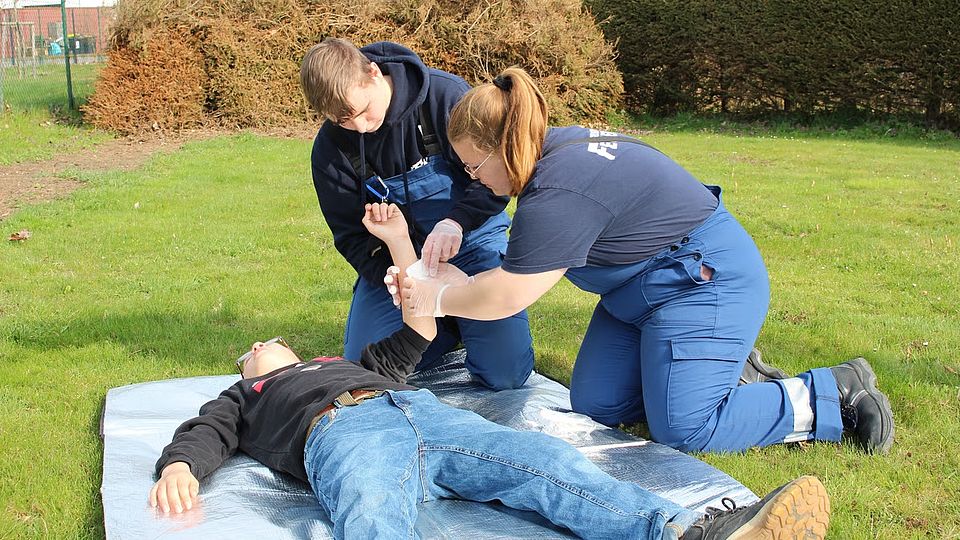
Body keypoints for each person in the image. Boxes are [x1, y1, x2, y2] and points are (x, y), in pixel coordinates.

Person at [150, 203, 831, 540]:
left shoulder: (349, 363)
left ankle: (685, 531)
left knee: (540, 463)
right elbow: (202, 434)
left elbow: (417, 336)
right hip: (346, 437)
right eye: (256, 349)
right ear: (251, 369)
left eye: (273, 342)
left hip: (425, 416)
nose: (265, 346)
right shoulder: (247, 395)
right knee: (371, 517)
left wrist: (400, 249)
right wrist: (180, 467)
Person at [400, 67, 895, 455]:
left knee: (687, 428)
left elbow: (508, 296)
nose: (471, 177)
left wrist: (437, 296)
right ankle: (717, 369)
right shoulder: (552, 153)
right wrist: (458, 277)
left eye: (472, 165)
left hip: (703, 280)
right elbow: (517, 272)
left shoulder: (557, 190)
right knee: (596, 405)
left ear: (503, 147)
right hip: (639, 293)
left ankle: (831, 392)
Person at [299, 38, 534, 390]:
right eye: (344, 121)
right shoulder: (330, 150)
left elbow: (496, 179)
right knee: (368, 372)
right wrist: (394, 277)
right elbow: (349, 236)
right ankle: (448, 322)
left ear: (373, 74)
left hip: (470, 240)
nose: (360, 127)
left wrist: (455, 222)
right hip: (400, 263)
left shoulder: (446, 97)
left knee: (505, 376)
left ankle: (461, 313)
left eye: (363, 111)